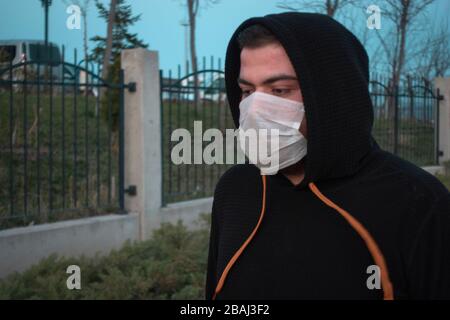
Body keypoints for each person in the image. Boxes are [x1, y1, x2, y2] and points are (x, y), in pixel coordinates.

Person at [205, 12, 450, 300]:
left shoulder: (418, 202)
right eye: (247, 90)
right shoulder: (236, 189)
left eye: (279, 90)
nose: (255, 109)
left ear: (333, 94)